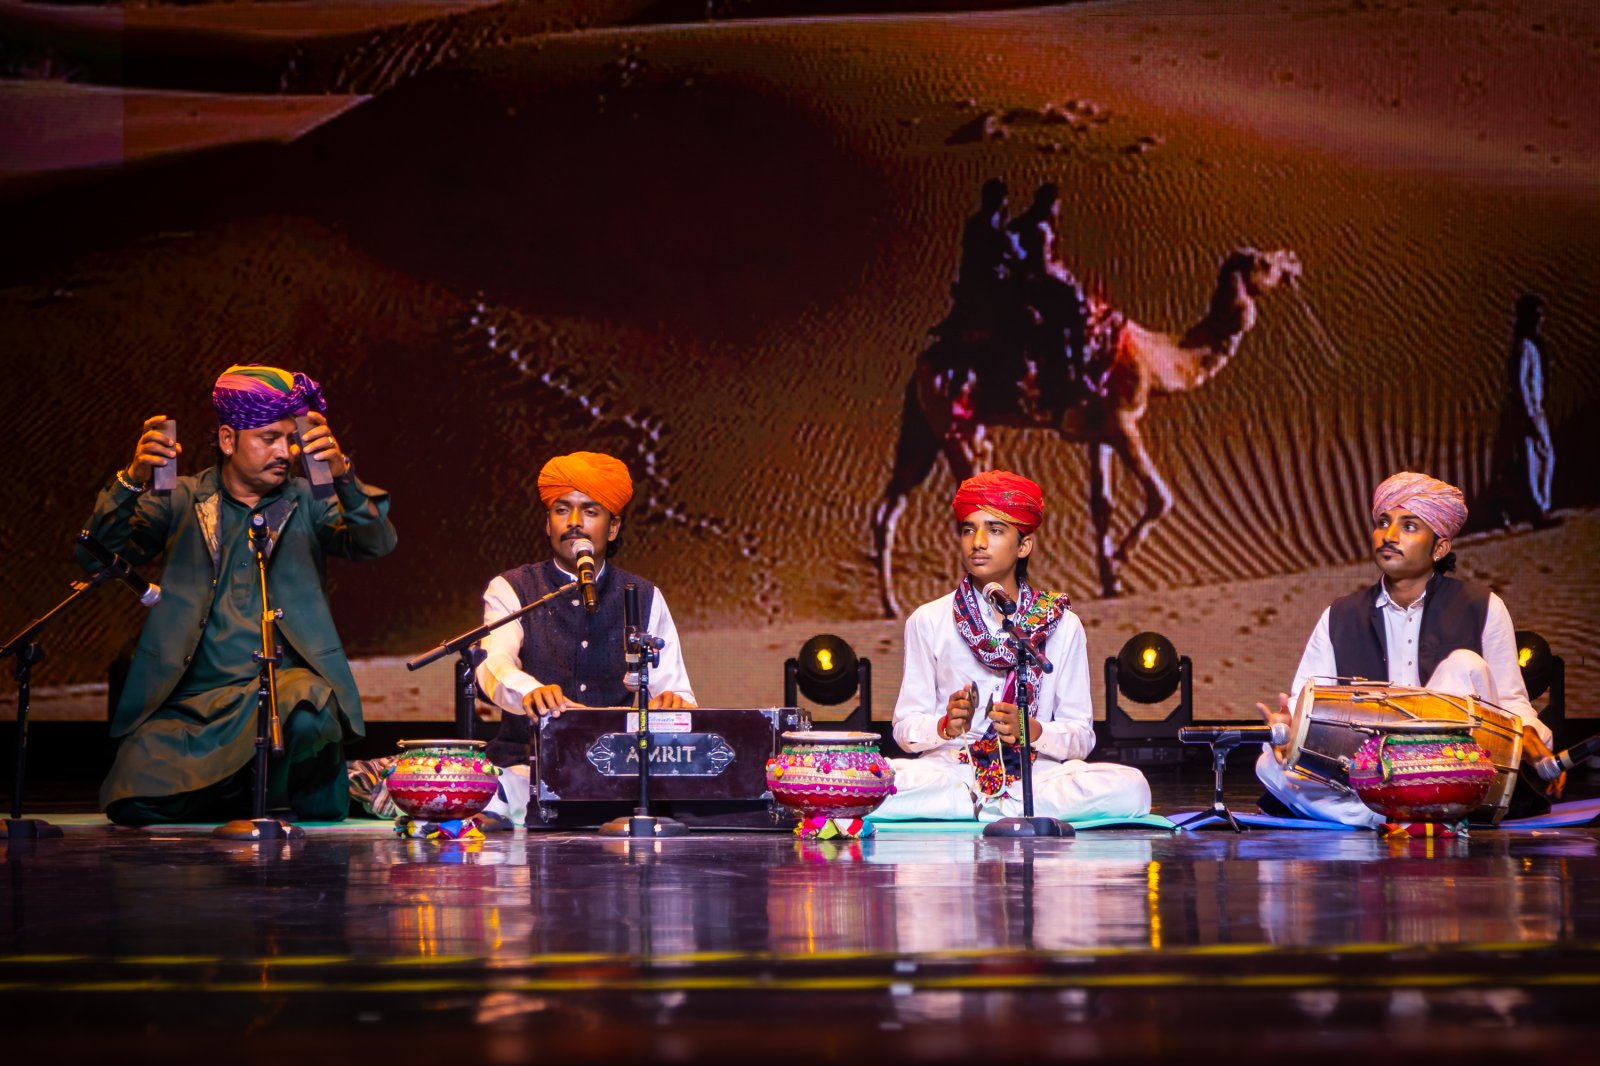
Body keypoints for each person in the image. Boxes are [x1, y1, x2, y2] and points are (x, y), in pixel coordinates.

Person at [84, 365, 396, 826]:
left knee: (308, 710)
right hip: (194, 702)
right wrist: (132, 480)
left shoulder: (309, 499)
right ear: (228, 440)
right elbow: (96, 556)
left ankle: (265, 790)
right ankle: (246, 794)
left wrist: (343, 478)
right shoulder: (182, 497)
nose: (285, 452)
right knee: (129, 803)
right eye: (269, 438)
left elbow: (375, 543)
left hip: (281, 691)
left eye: (290, 439)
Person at [1255, 471, 1560, 828]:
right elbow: (1308, 698)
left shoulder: (1482, 607)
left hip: (1450, 760)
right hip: (1368, 762)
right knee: (1268, 763)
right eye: (1383, 523)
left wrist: (1529, 733)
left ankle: (1387, 810)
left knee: (1466, 664)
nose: (1389, 535)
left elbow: (1510, 700)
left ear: (1440, 548)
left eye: (1409, 526)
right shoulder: (1340, 615)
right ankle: (1391, 813)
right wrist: (1288, 724)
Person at [871, 470, 1151, 822]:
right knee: (874, 781)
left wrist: (1034, 731)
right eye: (968, 530)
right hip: (952, 772)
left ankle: (986, 806)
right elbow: (905, 729)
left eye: (995, 530)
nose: (978, 542)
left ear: (1023, 545)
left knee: (1132, 787)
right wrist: (943, 726)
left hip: (1036, 777)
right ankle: (988, 805)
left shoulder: (1063, 625)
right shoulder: (928, 620)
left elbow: (1081, 736)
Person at [477, 451, 696, 824]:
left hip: (617, 780)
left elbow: (676, 691)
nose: (574, 523)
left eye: (590, 511)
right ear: (547, 524)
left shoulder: (645, 596)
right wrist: (530, 691)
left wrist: (673, 703)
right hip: (525, 772)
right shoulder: (513, 588)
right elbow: (493, 663)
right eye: (562, 510)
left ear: (613, 528)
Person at [1491, 293, 1556, 528]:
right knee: (1538, 458)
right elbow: (1520, 383)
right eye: (1537, 315)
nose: (1541, 320)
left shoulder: (1528, 345)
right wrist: (1529, 414)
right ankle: (1539, 510)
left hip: (1533, 409)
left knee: (1542, 456)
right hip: (1528, 411)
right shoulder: (1524, 346)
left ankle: (1539, 508)